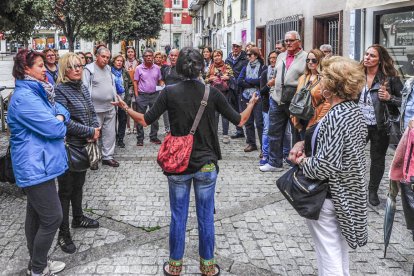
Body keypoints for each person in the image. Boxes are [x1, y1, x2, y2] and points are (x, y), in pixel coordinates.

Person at [112, 47, 259, 276]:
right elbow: (239, 121)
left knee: (178, 217)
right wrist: (251, 104)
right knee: (206, 217)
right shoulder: (212, 93)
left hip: (178, 165)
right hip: (207, 164)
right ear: (202, 66)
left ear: (178, 67)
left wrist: (125, 107)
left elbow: (144, 120)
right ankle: (208, 267)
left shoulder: (169, 92)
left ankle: (175, 267)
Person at [289, 56, 368, 275]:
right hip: (343, 193)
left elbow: (325, 165)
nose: (319, 79)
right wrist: (306, 142)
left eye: (323, 76)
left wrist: (301, 161)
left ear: (333, 84)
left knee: (329, 252)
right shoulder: (353, 111)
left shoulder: (336, 115)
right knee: (336, 248)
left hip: (330, 195)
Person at [8, 49, 68, 276]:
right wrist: (59, 119)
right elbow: (55, 127)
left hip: (41, 164)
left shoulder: (40, 91)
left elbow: (60, 110)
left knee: (35, 214)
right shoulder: (25, 98)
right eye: (40, 65)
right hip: (34, 167)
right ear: (26, 69)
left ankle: (37, 263)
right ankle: (38, 268)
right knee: (53, 217)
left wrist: (59, 115)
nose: (45, 69)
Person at [54, 53, 101, 254]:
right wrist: (89, 131)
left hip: (83, 147)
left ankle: (78, 218)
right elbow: (65, 121)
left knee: (79, 186)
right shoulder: (59, 90)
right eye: (72, 66)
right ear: (64, 70)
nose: (77, 69)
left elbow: (91, 112)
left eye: (79, 66)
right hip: (68, 147)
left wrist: (95, 129)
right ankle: (63, 234)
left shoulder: (81, 87)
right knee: (65, 191)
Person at [359, 44, 403, 206]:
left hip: (380, 126)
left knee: (377, 160)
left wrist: (390, 97)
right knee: (352, 157)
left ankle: (372, 191)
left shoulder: (390, 78)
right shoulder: (356, 75)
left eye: (372, 56)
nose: (367, 58)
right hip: (358, 125)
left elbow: (405, 102)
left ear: (380, 60)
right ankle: (354, 188)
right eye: (366, 54)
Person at [260, 30, 307, 172]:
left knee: (297, 132)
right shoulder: (281, 56)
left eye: (291, 40)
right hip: (277, 99)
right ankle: (275, 162)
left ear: (299, 41)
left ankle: (297, 162)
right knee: (274, 131)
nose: (288, 43)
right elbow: (275, 76)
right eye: (286, 41)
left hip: (295, 100)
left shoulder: (305, 57)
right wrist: (273, 92)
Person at [83, 47, 120, 167]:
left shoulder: (109, 68)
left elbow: (112, 85)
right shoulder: (89, 69)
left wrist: (115, 99)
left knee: (110, 134)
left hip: (110, 107)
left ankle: (107, 156)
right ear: (97, 56)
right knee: (94, 134)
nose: (105, 59)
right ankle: (94, 158)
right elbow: (84, 88)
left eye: (108, 57)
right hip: (95, 109)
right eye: (103, 57)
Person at [291, 49, 330, 134]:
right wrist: (293, 117)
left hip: (314, 117)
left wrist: (318, 121)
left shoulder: (324, 79)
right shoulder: (303, 77)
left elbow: (327, 102)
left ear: (320, 61)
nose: (310, 62)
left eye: (314, 60)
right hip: (299, 117)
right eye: (308, 60)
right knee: (298, 145)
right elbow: (296, 96)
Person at [238, 47, 266, 152]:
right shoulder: (245, 67)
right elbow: (239, 81)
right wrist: (252, 82)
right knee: (248, 122)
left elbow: (261, 81)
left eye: (250, 55)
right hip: (246, 96)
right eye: (247, 55)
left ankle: (264, 147)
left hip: (258, 97)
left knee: (259, 123)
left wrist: (248, 80)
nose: (248, 57)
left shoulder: (262, 67)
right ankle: (251, 143)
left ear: (256, 55)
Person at [134, 48, 165, 146]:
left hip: (154, 95)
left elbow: (160, 80)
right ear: (143, 58)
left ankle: (153, 136)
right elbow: (135, 82)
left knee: (155, 117)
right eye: (146, 56)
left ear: (153, 57)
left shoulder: (157, 68)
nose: (148, 58)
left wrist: (161, 89)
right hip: (142, 95)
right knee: (140, 117)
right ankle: (140, 138)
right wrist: (137, 96)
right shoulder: (139, 68)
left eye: (150, 56)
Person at [205, 49, 234, 144]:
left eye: (218, 55)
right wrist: (210, 79)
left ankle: (225, 135)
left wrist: (228, 77)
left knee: (225, 115)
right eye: (215, 56)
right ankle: (214, 134)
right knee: (215, 115)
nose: (217, 57)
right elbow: (205, 80)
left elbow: (233, 78)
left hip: (225, 93)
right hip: (214, 94)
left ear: (221, 56)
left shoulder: (227, 66)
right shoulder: (211, 67)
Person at [259, 50, 280, 165]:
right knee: (267, 130)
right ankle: (265, 155)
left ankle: (283, 154)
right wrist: (269, 84)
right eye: (271, 58)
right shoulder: (265, 73)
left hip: (280, 104)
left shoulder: (282, 71)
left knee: (283, 133)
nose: (272, 60)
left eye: (275, 58)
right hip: (267, 106)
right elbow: (261, 91)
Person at [226, 41, 248, 139]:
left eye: (237, 47)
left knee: (242, 109)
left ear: (241, 48)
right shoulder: (228, 59)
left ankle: (247, 131)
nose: (235, 48)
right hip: (231, 87)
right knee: (234, 110)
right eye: (234, 46)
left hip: (241, 87)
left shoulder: (245, 59)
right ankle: (239, 131)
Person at [112, 54, 133, 148]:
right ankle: (113, 137)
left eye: (121, 61)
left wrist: (129, 95)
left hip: (123, 100)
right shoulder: (108, 71)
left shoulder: (124, 72)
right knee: (112, 121)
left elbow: (130, 84)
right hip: (112, 100)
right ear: (113, 61)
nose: (119, 62)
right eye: (117, 60)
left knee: (122, 120)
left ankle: (120, 139)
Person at [125, 46, 139, 135]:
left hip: (136, 86)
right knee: (127, 107)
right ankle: (128, 127)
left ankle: (135, 127)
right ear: (126, 53)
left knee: (135, 107)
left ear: (134, 53)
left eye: (132, 52)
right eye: (128, 52)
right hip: (127, 87)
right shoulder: (123, 63)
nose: (130, 53)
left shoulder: (138, 62)